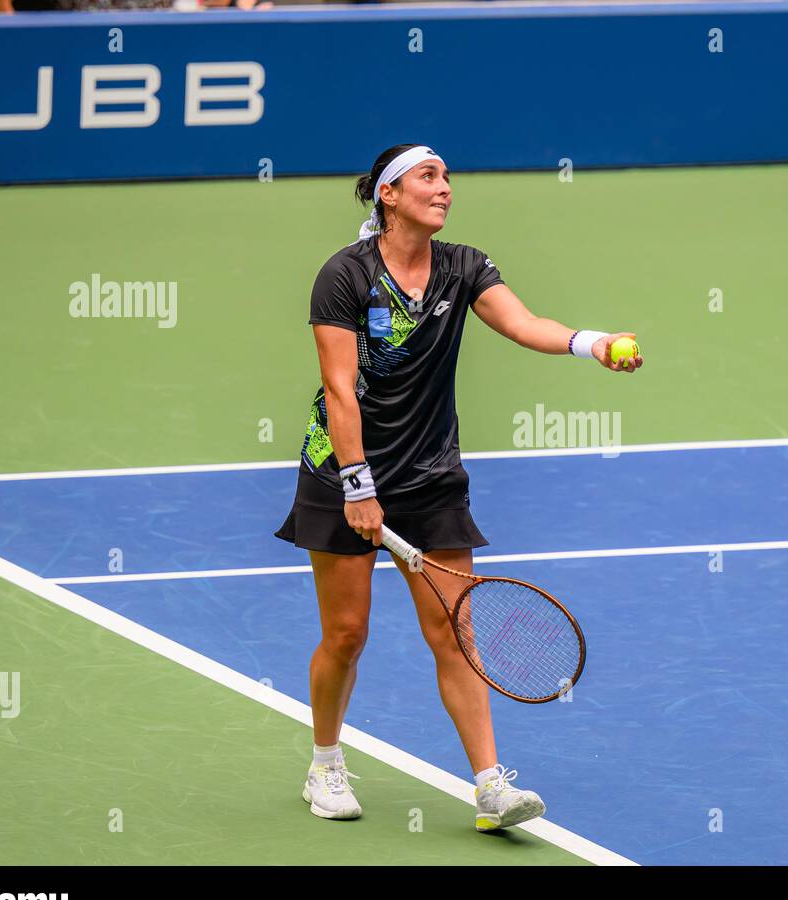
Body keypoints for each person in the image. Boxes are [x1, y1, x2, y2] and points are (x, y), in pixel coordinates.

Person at [275, 143, 642, 830]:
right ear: (388, 194)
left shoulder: (464, 266)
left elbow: (524, 323)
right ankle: (325, 763)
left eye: (446, 177)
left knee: (457, 630)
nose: (445, 188)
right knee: (347, 634)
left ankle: (489, 787)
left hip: (430, 477)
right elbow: (339, 387)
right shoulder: (344, 276)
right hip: (341, 470)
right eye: (428, 177)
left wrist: (590, 342)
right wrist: (358, 485)